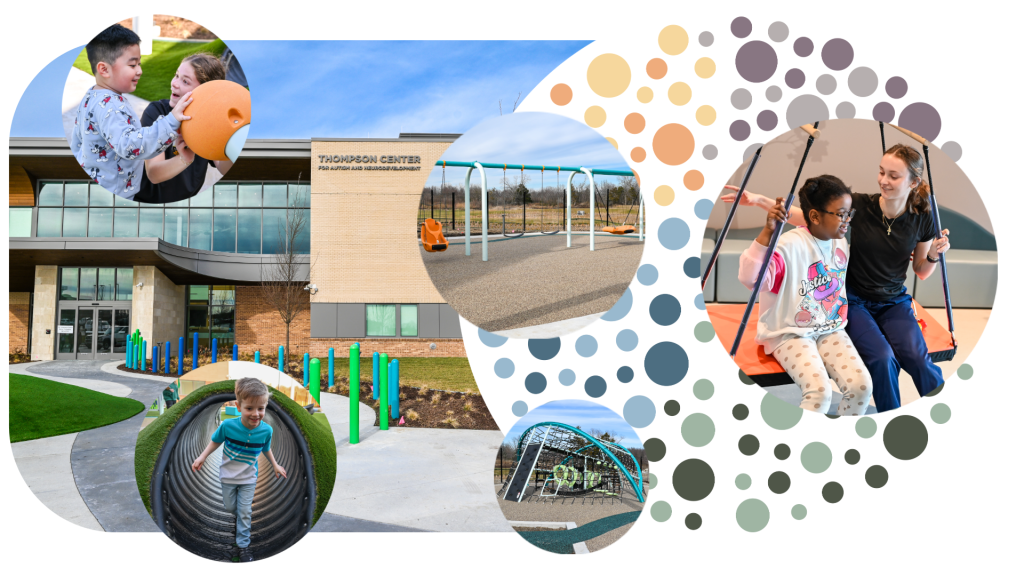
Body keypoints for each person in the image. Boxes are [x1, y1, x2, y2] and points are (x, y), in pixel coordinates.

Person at [724, 143, 951, 412]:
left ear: (914, 182)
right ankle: (890, 416)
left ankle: (942, 412)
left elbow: (921, 271)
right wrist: (760, 201)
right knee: (882, 359)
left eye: (893, 176)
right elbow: (813, 217)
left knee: (918, 359)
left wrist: (934, 255)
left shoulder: (921, 218)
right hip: (854, 301)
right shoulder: (860, 206)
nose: (883, 180)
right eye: (881, 172)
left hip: (891, 302)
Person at [738, 175, 872, 415]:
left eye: (849, 213)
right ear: (815, 217)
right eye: (841, 214)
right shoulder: (789, 245)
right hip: (790, 332)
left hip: (829, 327)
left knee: (861, 388)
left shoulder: (839, 241)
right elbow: (752, 280)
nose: (847, 221)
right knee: (819, 392)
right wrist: (767, 233)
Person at [71, 25, 192, 200]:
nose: (139, 71)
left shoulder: (92, 97)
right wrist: (171, 122)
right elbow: (131, 146)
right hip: (111, 198)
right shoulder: (110, 106)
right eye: (132, 65)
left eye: (139, 64)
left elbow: (78, 143)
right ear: (104, 69)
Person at [192, 378, 287, 564]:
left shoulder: (266, 430)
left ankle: (243, 546)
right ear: (238, 406)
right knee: (230, 507)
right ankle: (241, 519)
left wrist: (275, 465)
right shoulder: (228, 426)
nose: (256, 414)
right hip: (228, 476)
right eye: (249, 408)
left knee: (244, 511)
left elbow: (266, 448)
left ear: (266, 407)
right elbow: (215, 441)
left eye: (261, 408)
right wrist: (202, 457)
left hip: (249, 478)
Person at [134, 53, 233, 204]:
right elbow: (153, 174)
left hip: (184, 206)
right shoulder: (156, 112)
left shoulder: (211, 124)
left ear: (206, 93)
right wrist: (183, 159)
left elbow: (225, 168)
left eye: (185, 81)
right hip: (144, 204)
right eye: (176, 75)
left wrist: (232, 143)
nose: (174, 83)